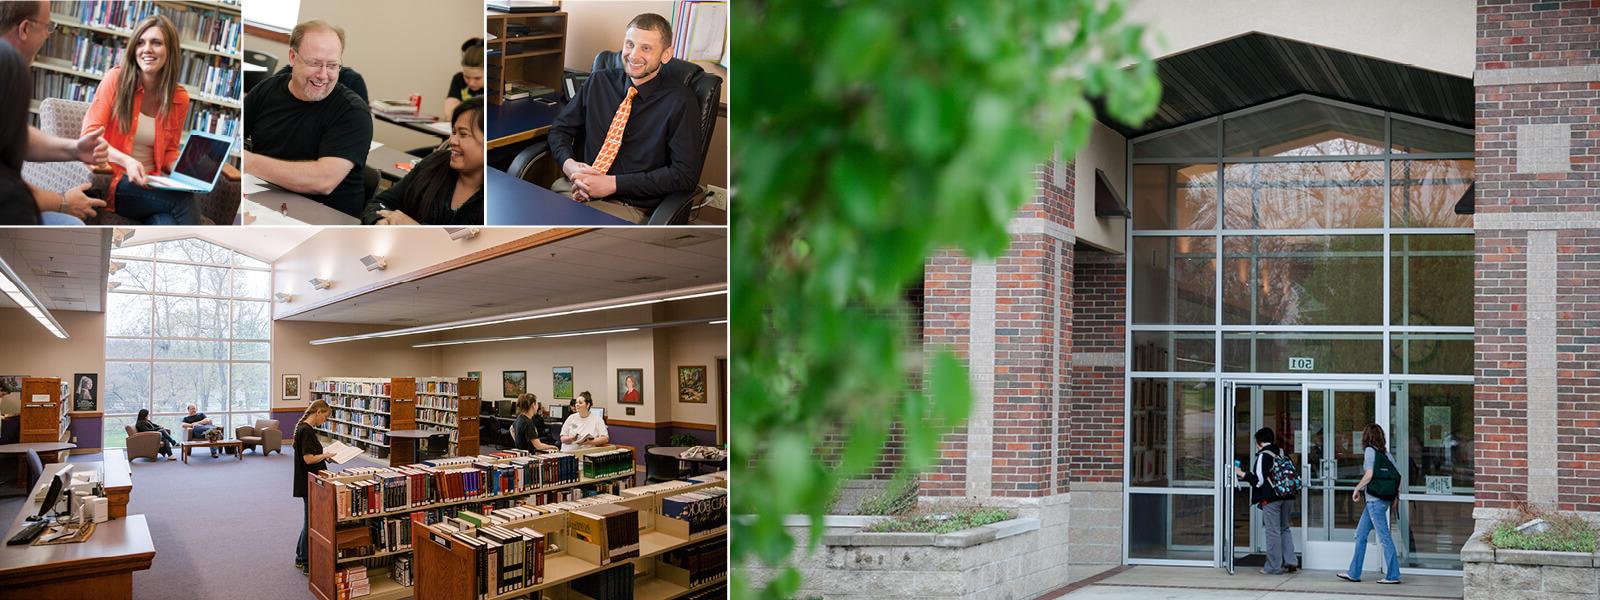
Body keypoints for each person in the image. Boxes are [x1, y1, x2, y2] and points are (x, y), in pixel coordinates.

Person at [547, 13, 702, 223]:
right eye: (630, 44)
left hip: (625, 206)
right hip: (574, 189)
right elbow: (560, 130)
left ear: (666, 55)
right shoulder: (599, 82)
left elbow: (685, 175)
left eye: (646, 48)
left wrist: (612, 184)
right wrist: (570, 165)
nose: (633, 55)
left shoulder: (680, 102)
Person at [242, 20, 371, 218]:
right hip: (266, 203)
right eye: (315, 63)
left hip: (324, 218)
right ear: (293, 57)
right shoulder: (268, 89)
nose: (323, 75)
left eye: (332, 66)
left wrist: (249, 162)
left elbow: (323, 181)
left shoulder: (353, 112)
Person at [81, 15, 199, 225]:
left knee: (166, 223)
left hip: (153, 183)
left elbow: (170, 150)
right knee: (182, 201)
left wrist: (188, 173)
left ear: (170, 51)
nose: (147, 49)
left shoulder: (179, 98)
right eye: (141, 42)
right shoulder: (115, 80)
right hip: (116, 181)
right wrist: (127, 161)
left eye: (156, 43)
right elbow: (90, 137)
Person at [0, 1, 107, 225]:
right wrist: (62, 201)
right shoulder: (9, 71)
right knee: (72, 225)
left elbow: (12, 134)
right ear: (25, 29)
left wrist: (74, 149)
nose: (48, 35)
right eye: (47, 27)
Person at [362, 97, 484, 225]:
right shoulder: (434, 164)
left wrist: (417, 230)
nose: (452, 141)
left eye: (463, 134)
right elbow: (379, 203)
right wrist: (380, 221)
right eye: (453, 132)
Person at [1338, 423, 1403, 585]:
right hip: (1382, 500)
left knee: (1384, 537)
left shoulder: (1369, 451)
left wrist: (1357, 489)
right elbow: (1397, 477)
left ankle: (1393, 575)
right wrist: (1395, 498)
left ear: (1367, 437)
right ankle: (1354, 573)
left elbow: (1369, 475)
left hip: (1375, 501)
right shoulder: (1387, 454)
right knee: (1360, 535)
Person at [1234, 427, 1299, 575]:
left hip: (1272, 498)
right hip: (1288, 495)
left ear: (1259, 442)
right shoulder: (1282, 453)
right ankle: (1291, 561)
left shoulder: (1264, 456)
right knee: (1284, 528)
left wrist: (1240, 473)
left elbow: (1258, 481)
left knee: (1273, 531)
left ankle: (1273, 567)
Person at [292, 400, 336, 575]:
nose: (324, 421)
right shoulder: (306, 431)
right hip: (310, 481)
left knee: (308, 519)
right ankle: (306, 562)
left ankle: (299, 557)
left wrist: (325, 456)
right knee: (311, 521)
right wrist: (325, 454)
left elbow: (312, 455)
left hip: (307, 480)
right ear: (318, 412)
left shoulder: (303, 428)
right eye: (324, 417)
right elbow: (308, 459)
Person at [443, 38, 484, 116]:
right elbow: (450, 112)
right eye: (467, 77)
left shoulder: (494, 87)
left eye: (477, 78)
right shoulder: (458, 79)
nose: (471, 83)